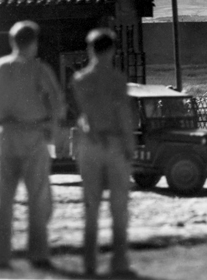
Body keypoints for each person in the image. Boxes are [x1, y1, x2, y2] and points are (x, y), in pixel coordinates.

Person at [0, 21, 65, 271]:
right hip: (33, 135)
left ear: (12, 41)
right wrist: (52, 132)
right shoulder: (39, 69)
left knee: (4, 199)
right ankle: (38, 253)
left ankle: (1, 256)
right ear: (34, 43)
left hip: (5, 134)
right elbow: (58, 104)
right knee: (38, 197)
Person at [71, 28, 137, 278]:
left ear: (90, 49)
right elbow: (123, 115)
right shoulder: (117, 79)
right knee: (119, 204)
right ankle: (118, 261)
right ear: (112, 50)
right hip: (114, 141)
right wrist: (129, 146)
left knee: (91, 203)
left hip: (89, 142)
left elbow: (84, 111)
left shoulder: (79, 79)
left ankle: (89, 262)